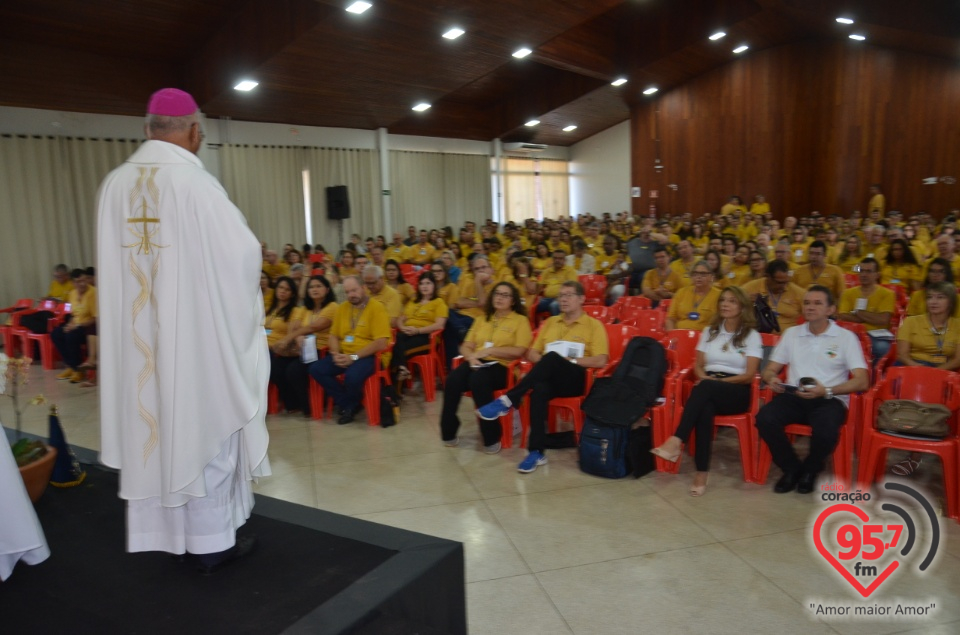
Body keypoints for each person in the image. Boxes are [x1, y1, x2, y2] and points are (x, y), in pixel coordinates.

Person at [96, 88, 269, 572]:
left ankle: (160, 533)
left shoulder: (114, 184)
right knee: (201, 428)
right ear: (194, 132)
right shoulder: (197, 187)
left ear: (145, 128)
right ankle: (211, 542)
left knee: (151, 429)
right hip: (193, 343)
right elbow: (242, 256)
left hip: (138, 345)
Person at [477, 281, 609, 473]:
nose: (563, 299)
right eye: (561, 295)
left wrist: (569, 361)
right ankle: (536, 451)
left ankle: (509, 399)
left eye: (569, 295)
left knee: (552, 358)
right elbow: (531, 353)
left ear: (581, 299)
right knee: (539, 388)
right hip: (549, 377)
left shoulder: (593, 325)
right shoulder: (551, 322)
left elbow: (601, 360)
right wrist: (544, 360)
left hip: (577, 379)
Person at [756, 285, 869, 494]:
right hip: (794, 395)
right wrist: (771, 378)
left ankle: (810, 470)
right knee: (764, 418)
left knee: (826, 429)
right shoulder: (791, 334)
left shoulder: (845, 338)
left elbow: (862, 381)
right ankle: (791, 468)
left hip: (829, 397)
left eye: (817, 303)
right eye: (807, 303)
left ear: (830, 310)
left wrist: (826, 391)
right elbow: (770, 369)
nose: (810, 307)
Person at [651, 287, 762, 496]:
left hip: (737, 391)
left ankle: (676, 440)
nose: (725, 305)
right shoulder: (710, 331)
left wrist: (714, 382)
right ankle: (701, 473)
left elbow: (749, 375)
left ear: (742, 307)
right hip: (709, 385)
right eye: (723, 300)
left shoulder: (752, 335)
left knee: (705, 390)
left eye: (732, 301)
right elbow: (698, 366)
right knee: (705, 408)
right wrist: (705, 378)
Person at [440, 282, 533, 452]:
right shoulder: (482, 319)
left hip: (505, 366)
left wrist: (491, 350)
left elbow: (519, 350)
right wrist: (471, 357)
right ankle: (449, 430)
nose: (499, 298)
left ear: (513, 301)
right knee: (453, 379)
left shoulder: (520, 320)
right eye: (497, 294)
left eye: (505, 295)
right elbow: (466, 345)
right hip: (478, 361)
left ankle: (491, 436)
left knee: (478, 379)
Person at [309, 276, 391, 424]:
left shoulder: (377, 308)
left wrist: (353, 357)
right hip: (344, 354)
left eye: (354, 290)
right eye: (347, 292)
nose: (351, 295)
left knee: (351, 377)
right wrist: (335, 354)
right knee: (316, 369)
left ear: (363, 288)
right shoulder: (342, 308)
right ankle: (349, 403)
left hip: (370, 356)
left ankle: (349, 406)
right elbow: (333, 335)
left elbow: (381, 343)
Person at [392, 271, 448, 384]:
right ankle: (401, 372)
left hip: (427, 337)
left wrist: (418, 330)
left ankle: (396, 380)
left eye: (428, 283)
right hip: (406, 334)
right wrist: (402, 327)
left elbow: (439, 325)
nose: (424, 286)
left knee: (396, 348)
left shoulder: (439, 302)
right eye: (422, 283)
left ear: (434, 285)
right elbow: (401, 318)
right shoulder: (413, 301)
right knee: (394, 343)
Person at [264, 277, 309, 416]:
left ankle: (291, 403)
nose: (283, 291)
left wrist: (275, 345)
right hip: (261, 348)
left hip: (278, 349)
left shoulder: (295, 311)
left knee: (274, 367)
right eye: (280, 288)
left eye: (287, 289)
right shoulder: (269, 309)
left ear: (292, 293)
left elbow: (292, 332)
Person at [837, 257, 895, 361]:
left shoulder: (888, 294)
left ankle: (874, 375)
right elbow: (842, 316)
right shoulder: (847, 293)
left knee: (883, 348)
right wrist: (870, 317)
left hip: (875, 335)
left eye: (868, 271)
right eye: (861, 271)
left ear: (877, 274)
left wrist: (858, 313)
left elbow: (883, 320)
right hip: (852, 333)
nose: (864, 275)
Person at [443, 256, 495, 369]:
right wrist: (478, 303)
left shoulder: (496, 286)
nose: (480, 271)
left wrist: (478, 282)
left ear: (491, 269)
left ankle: (452, 368)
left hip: (479, 321)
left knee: (449, 330)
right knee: (445, 310)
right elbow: (458, 302)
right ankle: (460, 330)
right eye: (477, 269)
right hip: (461, 317)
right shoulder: (468, 284)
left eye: (483, 267)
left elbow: (483, 305)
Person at [50, 268, 98, 383]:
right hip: (76, 323)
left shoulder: (93, 293)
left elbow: (96, 318)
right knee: (56, 333)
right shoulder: (72, 294)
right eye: (78, 281)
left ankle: (78, 370)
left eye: (83, 280)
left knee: (71, 336)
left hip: (89, 326)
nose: (81, 284)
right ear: (73, 283)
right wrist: (69, 324)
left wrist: (77, 325)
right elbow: (73, 314)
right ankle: (71, 366)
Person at [743, 260, 806, 332]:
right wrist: (746, 302)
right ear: (768, 277)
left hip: (788, 339)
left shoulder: (799, 293)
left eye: (786, 282)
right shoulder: (751, 288)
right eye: (779, 282)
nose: (783, 286)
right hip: (757, 337)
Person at [665, 261, 721, 331]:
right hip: (680, 335)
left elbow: (721, 323)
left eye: (703, 274)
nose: (699, 277)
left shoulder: (719, 295)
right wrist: (672, 335)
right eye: (695, 274)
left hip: (705, 337)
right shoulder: (681, 292)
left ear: (711, 277)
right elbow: (670, 319)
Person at [537, 249, 579, 316]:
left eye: (560, 258)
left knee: (554, 306)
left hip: (564, 298)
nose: (557, 260)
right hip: (547, 299)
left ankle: (558, 325)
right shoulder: (546, 272)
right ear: (552, 259)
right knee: (534, 306)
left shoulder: (570, 271)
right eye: (555, 258)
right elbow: (539, 288)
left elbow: (573, 288)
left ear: (565, 260)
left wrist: (561, 297)